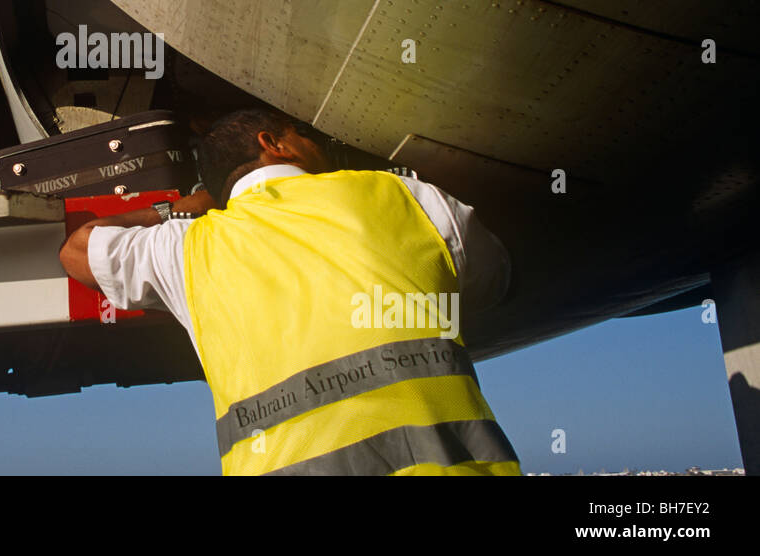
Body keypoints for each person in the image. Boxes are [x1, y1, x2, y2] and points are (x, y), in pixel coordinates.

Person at [59, 107, 520, 475]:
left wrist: (178, 209)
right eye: (303, 134)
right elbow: (494, 279)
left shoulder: (188, 247)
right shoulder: (404, 195)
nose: (316, 143)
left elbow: (78, 251)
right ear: (273, 144)